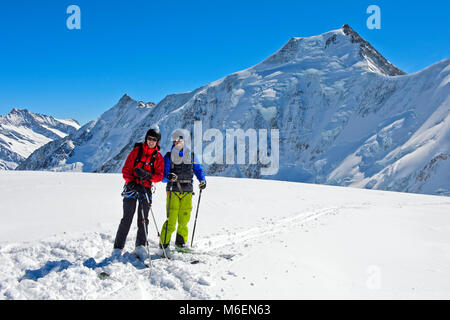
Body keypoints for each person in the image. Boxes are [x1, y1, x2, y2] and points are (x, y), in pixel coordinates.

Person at [113, 128, 164, 259]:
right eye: (149, 138)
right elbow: (126, 170)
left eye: (154, 139)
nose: (151, 141)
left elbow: (159, 176)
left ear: (157, 142)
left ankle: (140, 246)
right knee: (127, 218)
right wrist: (131, 183)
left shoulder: (158, 157)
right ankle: (118, 248)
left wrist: (147, 175)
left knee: (143, 219)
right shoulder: (136, 151)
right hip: (132, 187)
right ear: (146, 139)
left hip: (146, 189)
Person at [159, 130, 206, 250]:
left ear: (184, 141)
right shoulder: (169, 156)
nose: (177, 142)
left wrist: (202, 181)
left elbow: (198, 170)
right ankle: (163, 244)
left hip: (188, 191)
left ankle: (181, 243)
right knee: (171, 218)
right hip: (173, 190)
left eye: (179, 139)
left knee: (184, 219)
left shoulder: (191, 155)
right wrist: (168, 177)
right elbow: (163, 177)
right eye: (175, 140)